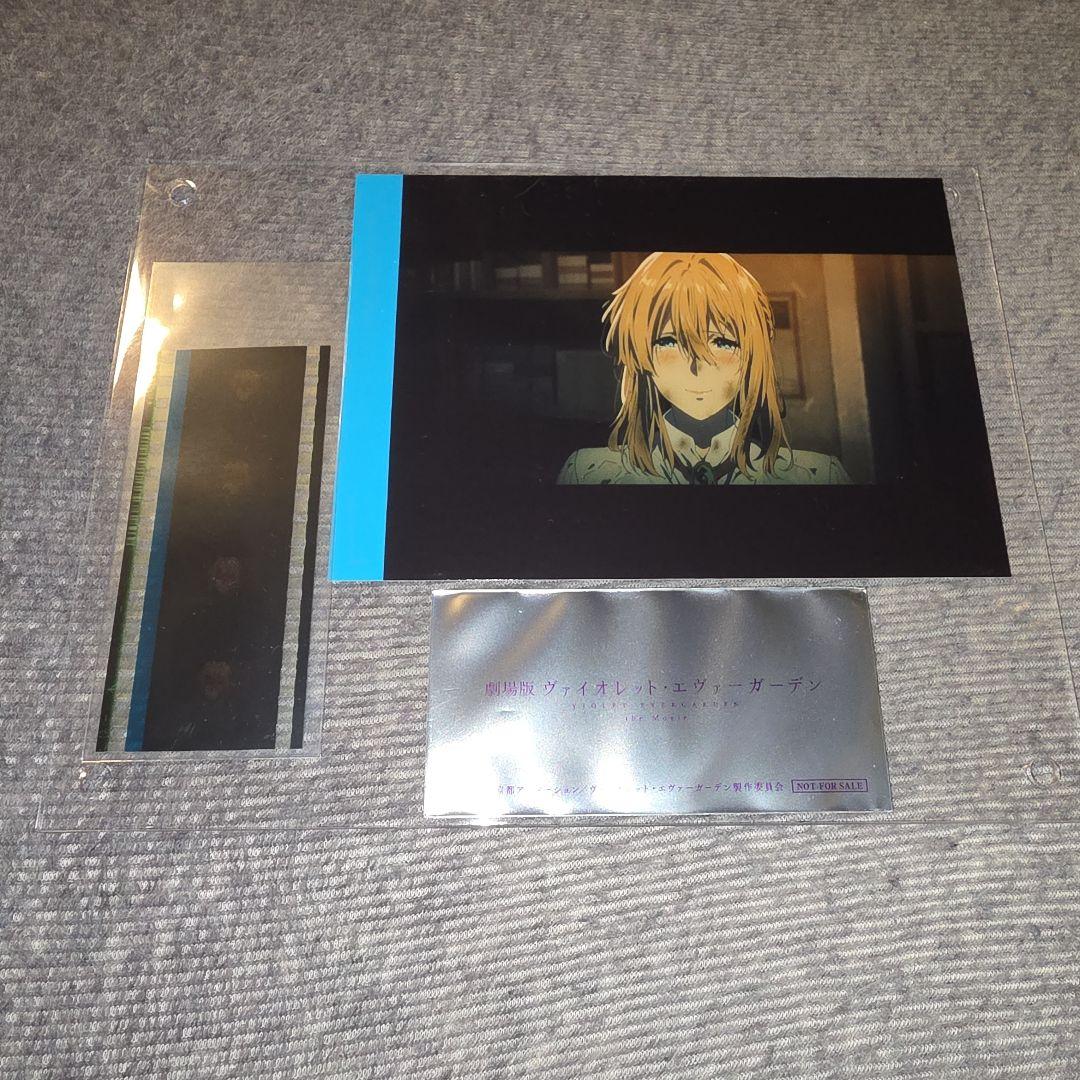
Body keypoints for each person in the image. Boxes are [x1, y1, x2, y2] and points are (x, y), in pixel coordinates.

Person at [557, 252, 852, 485]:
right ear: (640, 353)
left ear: (753, 354)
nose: (696, 367)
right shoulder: (589, 473)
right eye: (669, 341)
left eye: (722, 342)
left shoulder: (818, 475)